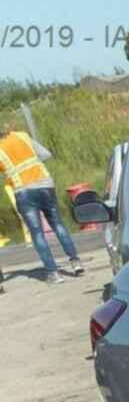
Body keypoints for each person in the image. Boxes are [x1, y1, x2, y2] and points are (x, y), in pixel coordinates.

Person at [1, 122, 85, 285]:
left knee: (37, 233)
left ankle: (54, 273)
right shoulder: (22, 136)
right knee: (58, 224)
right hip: (45, 184)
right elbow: (46, 154)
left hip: (23, 191)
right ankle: (76, 263)